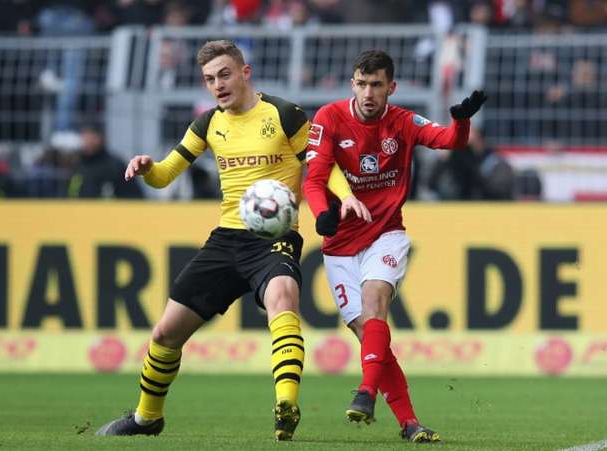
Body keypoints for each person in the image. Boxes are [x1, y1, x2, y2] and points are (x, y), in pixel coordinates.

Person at [94, 39, 359, 441]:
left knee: (282, 296)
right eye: (208, 79)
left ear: (244, 72)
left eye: (224, 74)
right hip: (226, 240)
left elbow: (321, 166)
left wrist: (348, 196)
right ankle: (147, 418)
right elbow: (166, 174)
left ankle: (286, 403)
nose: (217, 85)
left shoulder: (284, 115)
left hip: (274, 236)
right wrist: (147, 167)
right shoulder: (208, 124)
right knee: (165, 333)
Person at [302, 50, 486, 443]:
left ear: (391, 87)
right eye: (362, 83)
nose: (369, 92)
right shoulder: (328, 118)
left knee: (375, 303)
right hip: (338, 247)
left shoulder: (401, 122)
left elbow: (450, 141)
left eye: (377, 85)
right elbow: (314, 180)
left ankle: (366, 393)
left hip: (386, 232)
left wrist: (462, 119)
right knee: (372, 340)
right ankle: (409, 423)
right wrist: (321, 215)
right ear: (353, 84)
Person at [67, 124, 144, 198]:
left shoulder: (115, 165)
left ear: (101, 138)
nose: (89, 141)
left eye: (92, 137)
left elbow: (133, 195)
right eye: (85, 137)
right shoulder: (76, 164)